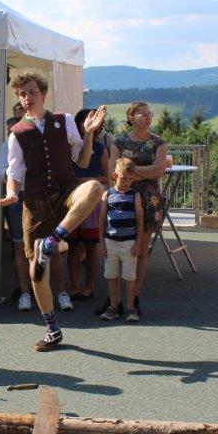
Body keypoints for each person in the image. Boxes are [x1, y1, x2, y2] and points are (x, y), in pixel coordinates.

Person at [0, 72, 107, 351]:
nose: (27, 98)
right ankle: (52, 329)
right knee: (36, 270)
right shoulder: (17, 133)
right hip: (36, 203)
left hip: (66, 191)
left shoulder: (65, 120)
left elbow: (83, 161)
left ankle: (53, 240)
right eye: (22, 94)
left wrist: (89, 133)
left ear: (43, 94)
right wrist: (11, 193)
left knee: (95, 187)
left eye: (32, 92)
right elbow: (14, 174)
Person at [109, 102, 169, 316]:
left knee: (141, 250)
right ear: (131, 117)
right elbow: (112, 172)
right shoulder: (119, 142)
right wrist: (145, 171)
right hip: (122, 200)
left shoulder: (158, 142)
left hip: (148, 202)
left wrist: (130, 172)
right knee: (118, 248)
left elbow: (159, 170)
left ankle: (133, 298)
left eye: (149, 113)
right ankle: (114, 299)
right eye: (142, 114)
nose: (147, 117)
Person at [64, 108, 108, 308]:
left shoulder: (100, 148)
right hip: (72, 199)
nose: (88, 124)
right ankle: (73, 287)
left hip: (92, 200)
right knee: (73, 246)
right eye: (85, 120)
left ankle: (89, 287)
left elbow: (107, 177)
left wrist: (89, 179)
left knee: (91, 247)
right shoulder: (69, 147)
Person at [100, 159, 147, 322]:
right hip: (110, 242)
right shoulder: (107, 194)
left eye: (130, 179)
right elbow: (102, 219)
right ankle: (114, 306)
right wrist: (102, 242)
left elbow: (140, 220)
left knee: (129, 276)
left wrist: (138, 243)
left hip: (129, 243)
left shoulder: (135, 195)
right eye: (123, 178)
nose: (127, 182)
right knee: (111, 275)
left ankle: (131, 307)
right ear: (115, 176)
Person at [0, 107, 34, 311]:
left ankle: (38, 288)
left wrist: (20, 171)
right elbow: (2, 173)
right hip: (17, 196)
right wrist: (18, 172)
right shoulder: (7, 144)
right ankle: (23, 290)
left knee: (39, 245)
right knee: (19, 245)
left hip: (36, 195)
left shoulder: (38, 142)